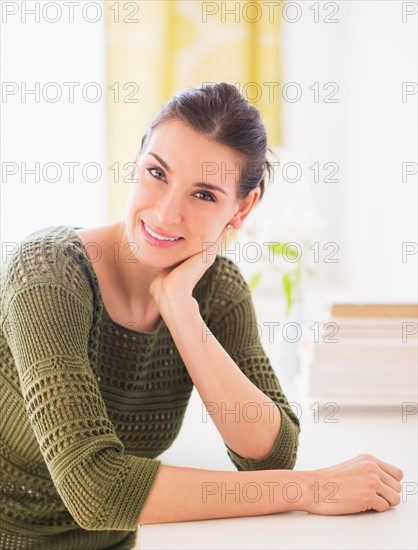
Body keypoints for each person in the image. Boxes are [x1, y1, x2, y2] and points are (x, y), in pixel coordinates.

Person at [0, 82, 403, 550]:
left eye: (205, 195)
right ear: (136, 160)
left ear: (243, 207)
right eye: (157, 172)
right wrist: (313, 488)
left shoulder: (215, 289)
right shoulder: (48, 273)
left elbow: (269, 454)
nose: (167, 214)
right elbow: (95, 490)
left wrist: (180, 308)